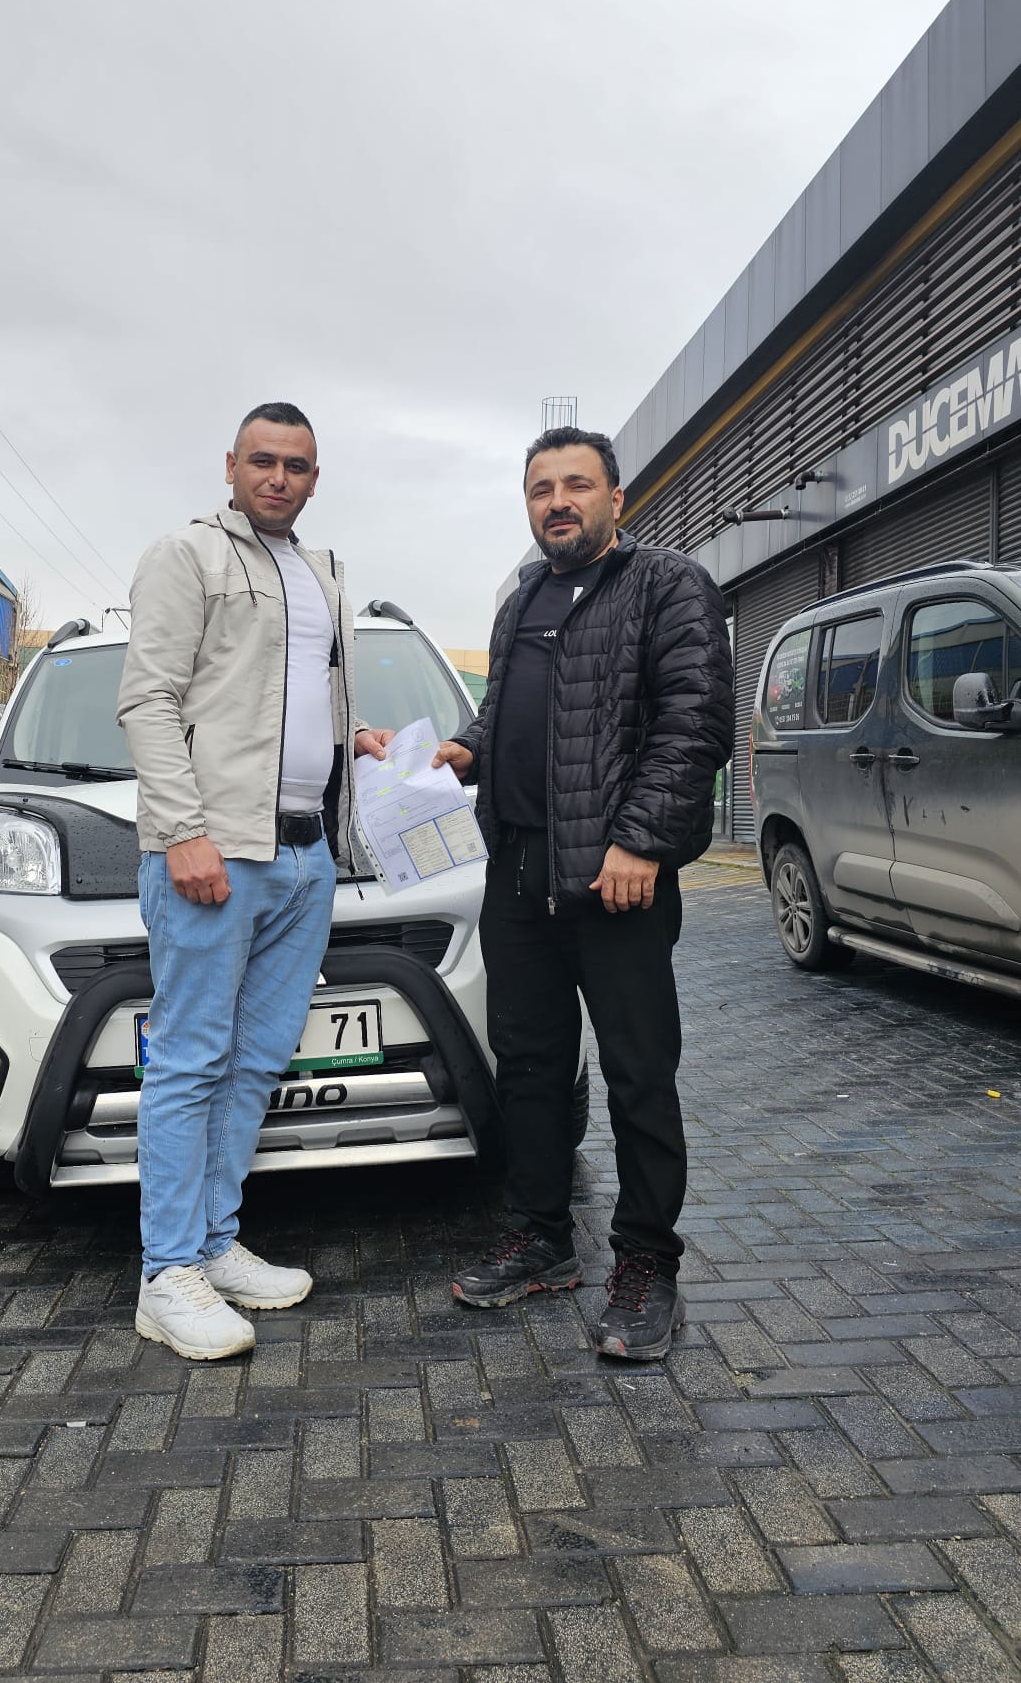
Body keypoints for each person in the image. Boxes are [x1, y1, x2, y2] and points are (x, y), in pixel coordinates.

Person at [434, 426, 733, 1358]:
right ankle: (541, 1237)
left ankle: (646, 1263)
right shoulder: (523, 597)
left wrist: (640, 840)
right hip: (518, 873)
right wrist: (461, 751)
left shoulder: (666, 584)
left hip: (616, 881)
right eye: (541, 489)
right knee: (529, 1066)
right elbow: (504, 715)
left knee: (639, 1072)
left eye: (576, 485)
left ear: (615, 498)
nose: (557, 501)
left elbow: (694, 723)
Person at [118, 403, 392, 1361]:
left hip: (307, 855)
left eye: (297, 465)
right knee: (190, 1060)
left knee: (255, 1060)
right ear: (231, 464)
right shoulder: (186, 555)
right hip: (218, 851)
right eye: (263, 461)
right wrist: (183, 830)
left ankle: (213, 1244)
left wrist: (353, 737)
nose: (279, 477)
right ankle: (166, 1274)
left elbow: (294, 696)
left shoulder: (320, 572)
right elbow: (148, 699)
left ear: (316, 477)